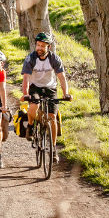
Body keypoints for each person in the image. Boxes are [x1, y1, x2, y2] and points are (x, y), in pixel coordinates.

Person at [21, 32, 72, 163]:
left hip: (50, 88)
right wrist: (25, 94)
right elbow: (26, 78)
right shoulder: (30, 59)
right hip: (35, 87)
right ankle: (31, 126)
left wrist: (66, 93)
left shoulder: (54, 59)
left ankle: (53, 149)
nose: (39, 48)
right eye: (38, 45)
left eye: (42, 46)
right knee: (33, 106)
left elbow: (61, 77)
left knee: (52, 118)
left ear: (48, 47)